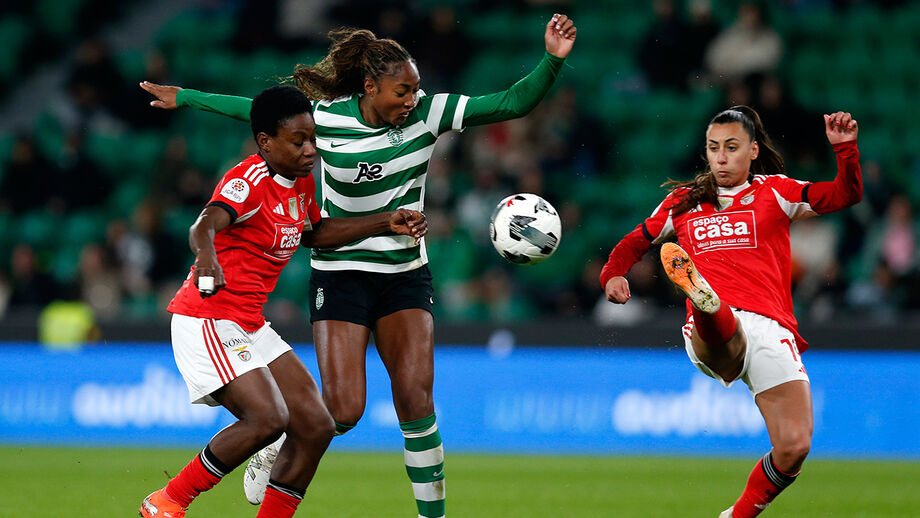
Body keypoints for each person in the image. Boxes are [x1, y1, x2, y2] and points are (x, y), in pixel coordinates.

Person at [140, 13, 576, 517]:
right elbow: (254, 113)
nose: (411, 99)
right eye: (401, 91)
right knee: (340, 413)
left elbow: (512, 102)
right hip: (339, 271)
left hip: (404, 272)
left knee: (416, 401)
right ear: (370, 87)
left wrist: (551, 60)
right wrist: (187, 97)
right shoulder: (323, 121)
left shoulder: (428, 113)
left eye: (415, 89)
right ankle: (263, 447)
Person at [139, 85, 426, 518]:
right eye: (298, 141)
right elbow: (204, 224)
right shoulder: (247, 182)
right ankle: (167, 502)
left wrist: (386, 221)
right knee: (268, 420)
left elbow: (315, 234)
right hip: (208, 318)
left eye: (312, 138)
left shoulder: (301, 182)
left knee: (316, 425)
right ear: (266, 142)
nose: (310, 149)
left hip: (248, 323)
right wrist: (207, 258)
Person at [599, 106, 861, 518]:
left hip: (771, 328)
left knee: (794, 446)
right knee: (724, 327)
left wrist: (845, 150)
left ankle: (734, 516)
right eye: (713, 148)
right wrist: (612, 274)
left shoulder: (777, 192)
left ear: (753, 150)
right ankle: (706, 303)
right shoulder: (683, 201)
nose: (720, 157)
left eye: (731, 147)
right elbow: (634, 241)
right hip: (715, 332)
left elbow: (844, 195)